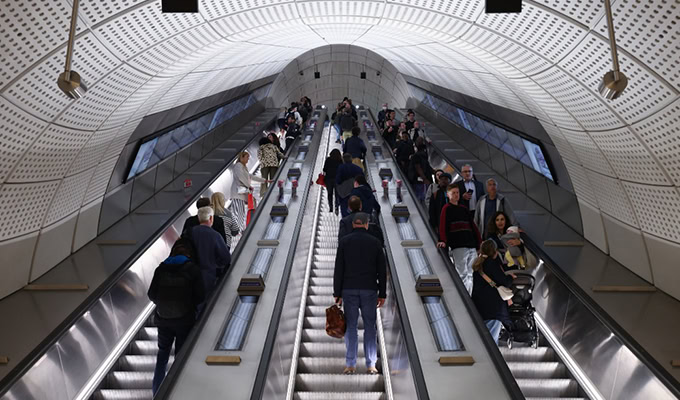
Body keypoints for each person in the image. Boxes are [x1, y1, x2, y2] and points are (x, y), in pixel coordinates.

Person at [148, 239, 205, 395]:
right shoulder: (192, 269)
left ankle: (157, 392)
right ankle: (178, 393)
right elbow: (201, 296)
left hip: (163, 320)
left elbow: (151, 294)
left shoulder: (161, 269)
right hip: (184, 320)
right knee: (181, 356)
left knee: (162, 355)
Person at [333, 212, 386, 375]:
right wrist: (382, 293)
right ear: (366, 224)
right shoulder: (375, 243)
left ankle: (350, 364)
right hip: (369, 289)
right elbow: (382, 271)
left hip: (348, 289)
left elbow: (339, 269)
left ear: (353, 225)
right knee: (370, 327)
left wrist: (337, 292)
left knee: (351, 327)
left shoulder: (344, 242)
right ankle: (371, 365)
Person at [437, 184, 482, 295]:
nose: (456, 195)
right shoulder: (446, 209)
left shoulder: (464, 209)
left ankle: (469, 296)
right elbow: (442, 225)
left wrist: (479, 243)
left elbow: (473, 226)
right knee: (462, 273)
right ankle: (464, 297)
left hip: (470, 244)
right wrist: (443, 240)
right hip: (458, 245)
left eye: (457, 193)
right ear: (448, 195)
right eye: (453, 193)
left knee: (471, 274)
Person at [471, 239, 513, 344]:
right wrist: (511, 278)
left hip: (479, 306)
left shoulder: (478, 266)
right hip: (493, 308)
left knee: (482, 340)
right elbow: (504, 282)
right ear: (495, 251)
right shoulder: (492, 264)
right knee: (491, 342)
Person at [191, 206, 231, 294]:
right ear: (211, 218)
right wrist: (217, 265)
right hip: (208, 276)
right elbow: (226, 258)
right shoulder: (215, 235)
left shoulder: (190, 232)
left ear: (199, 218)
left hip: (190, 275)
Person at [230, 151, 267, 232]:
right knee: (239, 212)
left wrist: (264, 181)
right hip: (237, 193)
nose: (248, 159)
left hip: (242, 193)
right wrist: (249, 186)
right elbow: (241, 177)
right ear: (241, 157)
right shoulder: (238, 166)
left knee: (241, 212)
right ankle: (237, 230)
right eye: (247, 157)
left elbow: (250, 176)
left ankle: (240, 229)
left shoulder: (243, 167)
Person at [336, 153, 364, 217]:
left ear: (343, 160)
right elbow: (362, 180)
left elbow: (338, 180)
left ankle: (346, 221)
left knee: (345, 208)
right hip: (355, 192)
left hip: (344, 193)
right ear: (351, 160)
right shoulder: (358, 169)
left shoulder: (341, 168)